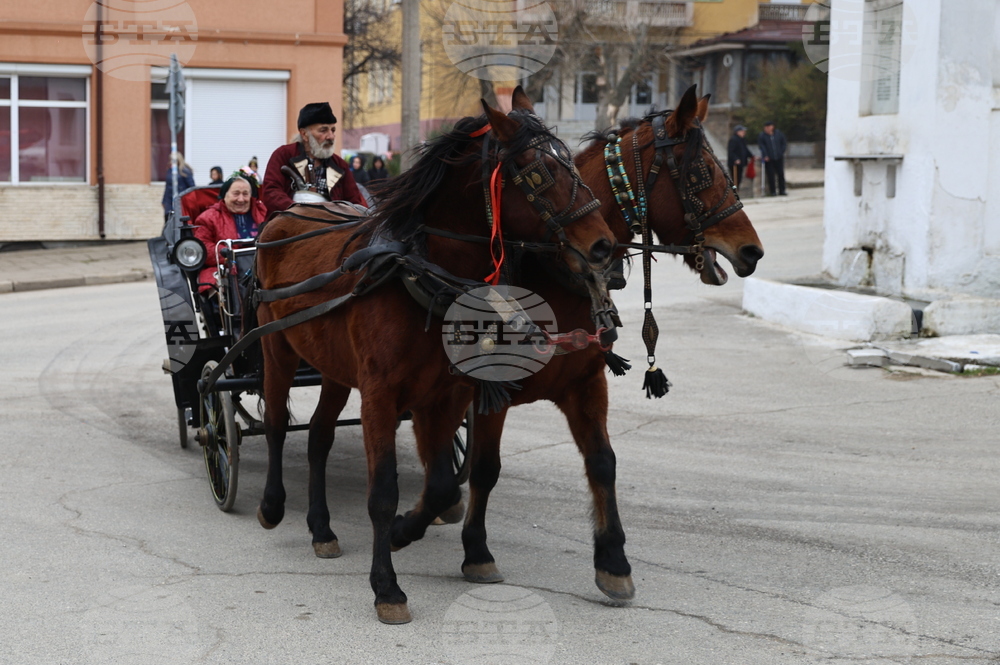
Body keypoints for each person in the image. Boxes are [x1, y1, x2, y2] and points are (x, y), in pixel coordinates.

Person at [261, 102, 367, 214]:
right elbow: (271, 192)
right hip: (287, 221)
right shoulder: (283, 155)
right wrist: (297, 210)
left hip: (331, 222)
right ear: (304, 134)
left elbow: (355, 203)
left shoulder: (340, 166)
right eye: (323, 130)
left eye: (333, 130)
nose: (331, 136)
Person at [192, 172, 267, 293]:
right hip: (225, 268)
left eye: (245, 194)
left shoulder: (264, 212)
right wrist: (231, 257)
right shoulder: (208, 218)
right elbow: (203, 247)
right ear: (224, 196)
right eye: (236, 194)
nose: (241, 199)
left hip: (263, 266)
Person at [161, 152, 195, 219]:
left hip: (181, 200)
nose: (171, 161)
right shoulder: (170, 171)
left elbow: (191, 187)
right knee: (169, 219)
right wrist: (164, 201)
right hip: (169, 201)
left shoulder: (185, 171)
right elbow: (167, 187)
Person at [757, 121, 787, 196]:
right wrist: (765, 155)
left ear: (772, 127)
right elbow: (762, 146)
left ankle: (782, 190)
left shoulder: (778, 134)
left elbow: (783, 143)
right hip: (769, 158)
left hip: (779, 157)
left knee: (780, 174)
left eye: (768, 127)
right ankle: (773, 191)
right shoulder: (762, 136)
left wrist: (781, 152)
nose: (767, 129)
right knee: (771, 175)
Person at [727, 125, 751, 191]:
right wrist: (735, 159)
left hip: (741, 163)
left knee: (739, 178)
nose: (744, 132)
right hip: (734, 163)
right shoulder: (733, 140)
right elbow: (731, 151)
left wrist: (752, 156)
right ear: (737, 132)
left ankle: (737, 189)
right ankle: (734, 190)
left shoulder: (742, 140)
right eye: (742, 131)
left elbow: (745, 150)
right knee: (734, 178)